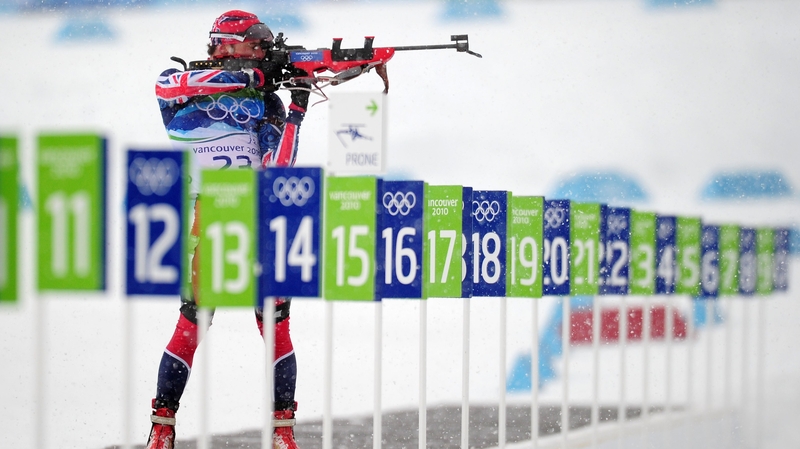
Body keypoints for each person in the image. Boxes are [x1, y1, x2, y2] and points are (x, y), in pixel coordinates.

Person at [148, 10, 310, 449]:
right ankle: (161, 426)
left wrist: (295, 109)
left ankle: (283, 432)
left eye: (263, 46)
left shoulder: (267, 103)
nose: (261, 51)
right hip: (205, 219)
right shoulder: (179, 85)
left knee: (276, 327)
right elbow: (169, 86)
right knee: (191, 325)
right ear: (225, 45)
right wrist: (254, 75)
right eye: (254, 44)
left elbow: (279, 169)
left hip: (257, 218)